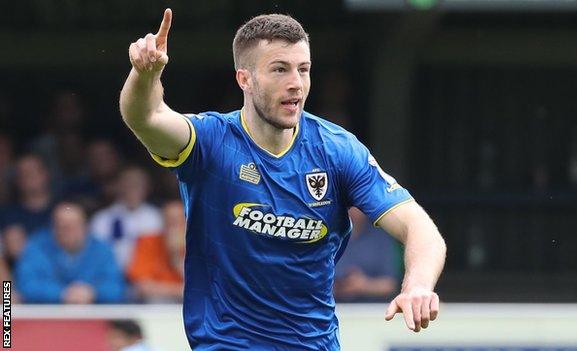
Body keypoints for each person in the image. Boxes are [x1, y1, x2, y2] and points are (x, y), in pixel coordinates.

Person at [120, 9, 446, 350]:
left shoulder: (337, 151)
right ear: (244, 79)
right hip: (227, 344)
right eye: (280, 69)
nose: (296, 83)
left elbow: (419, 228)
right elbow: (146, 117)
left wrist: (418, 285)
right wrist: (144, 75)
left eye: (303, 70)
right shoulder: (210, 142)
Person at [15, 201, 125, 303]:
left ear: (85, 227)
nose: (66, 231)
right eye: (61, 226)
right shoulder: (37, 246)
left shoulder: (102, 250)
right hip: (47, 317)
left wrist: (92, 293)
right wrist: (62, 293)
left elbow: (116, 287)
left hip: (93, 316)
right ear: (53, 228)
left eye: (72, 226)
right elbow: (26, 285)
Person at [90, 166, 163, 269]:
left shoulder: (156, 217)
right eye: (127, 184)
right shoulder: (101, 219)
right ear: (118, 186)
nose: (132, 189)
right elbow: (96, 256)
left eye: (137, 184)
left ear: (147, 188)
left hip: (147, 278)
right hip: (113, 278)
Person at [334, 207, 400, 302]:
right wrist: (336, 287)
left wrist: (364, 285)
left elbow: (391, 285)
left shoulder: (381, 238)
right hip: (331, 308)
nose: (351, 211)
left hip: (372, 310)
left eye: (356, 207)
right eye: (347, 206)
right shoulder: (324, 237)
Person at [126, 200, 185, 303]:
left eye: (178, 221)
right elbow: (142, 287)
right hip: (155, 305)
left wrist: (177, 259)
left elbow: (202, 288)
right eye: (169, 221)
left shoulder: (199, 245)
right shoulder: (148, 242)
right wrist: (179, 291)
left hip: (190, 306)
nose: (173, 227)